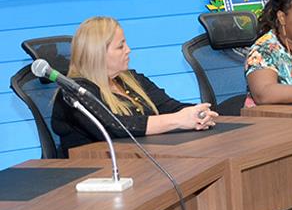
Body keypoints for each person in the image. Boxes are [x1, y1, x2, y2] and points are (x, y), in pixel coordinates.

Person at [52, 16, 217, 153]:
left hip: (143, 160)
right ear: (98, 54)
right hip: (97, 175)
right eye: (120, 46)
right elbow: (115, 126)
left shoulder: (130, 78)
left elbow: (169, 106)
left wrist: (198, 113)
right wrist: (177, 120)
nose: (128, 50)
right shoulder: (74, 93)